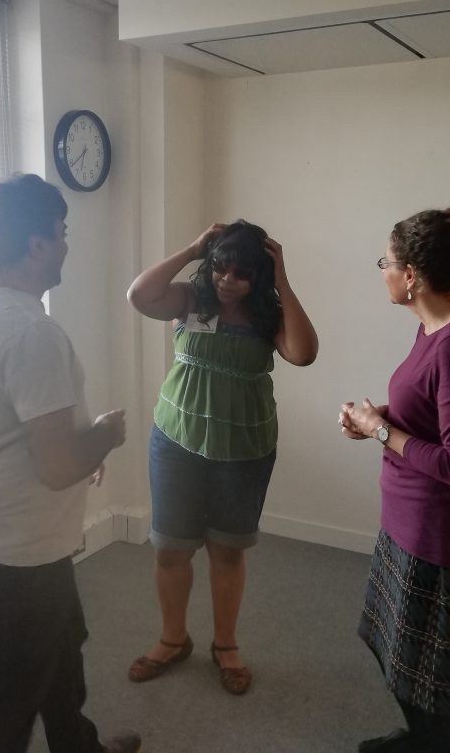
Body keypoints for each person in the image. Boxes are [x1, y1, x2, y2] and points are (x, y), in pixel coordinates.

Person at [0, 174, 140, 753]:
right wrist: (102, 437)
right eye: (62, 233)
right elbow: (55, 466)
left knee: (60, 647)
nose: (67, 244)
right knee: (8, 698)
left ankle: (79, 746)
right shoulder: (32, 333)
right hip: (19, 550)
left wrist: (81, 448)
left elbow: (20, 433)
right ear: (35, 246)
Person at [339, 207, 450, 753]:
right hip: (411, 525)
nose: (382, 271)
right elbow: (433, 412)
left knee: (443, 691)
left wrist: (380, 430)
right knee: (405, 660)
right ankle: (418, 740)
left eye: (385, 262)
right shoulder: (435, 326)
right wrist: (378, 420)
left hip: (444, 542)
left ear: (411, 274)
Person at [125, 220, 318, 695]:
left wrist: (283, 283)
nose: (226, 279)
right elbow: (139, 295)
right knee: (172, 548)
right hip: (176, 440)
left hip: (243, 448)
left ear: (260, 276)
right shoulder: (192, 299)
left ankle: (226, 645)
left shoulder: (269, 313)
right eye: (219, 267)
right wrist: (192, 249)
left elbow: (304, 352)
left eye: (240, 273)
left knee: (226, 551)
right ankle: (173, 639)